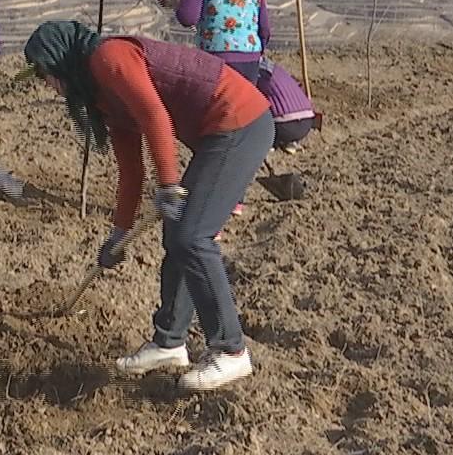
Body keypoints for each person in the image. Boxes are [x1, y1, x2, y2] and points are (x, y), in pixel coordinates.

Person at [22, 19, 273, 393]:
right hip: (215, 132)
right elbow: (131, 170)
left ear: (61, 60)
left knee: (192, 236)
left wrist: (170, 184)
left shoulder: (110, 58)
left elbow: (157, 116)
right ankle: (170, 343)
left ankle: (231, 350)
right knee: (179, 236)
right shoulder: (102, 98)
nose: (47, 84)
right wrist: (118, 234)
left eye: (45, 72)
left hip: (239, 120)